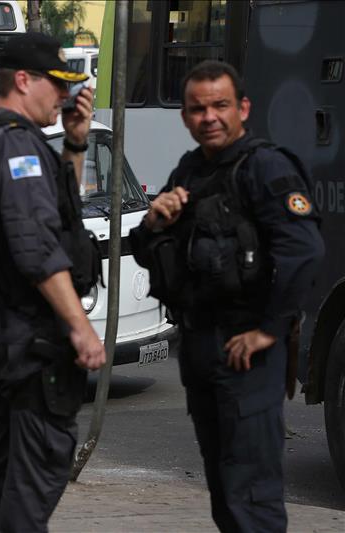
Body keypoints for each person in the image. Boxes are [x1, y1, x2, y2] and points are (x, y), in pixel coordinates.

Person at [130, 60, 325, 531]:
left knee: (251, 491)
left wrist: (269, 331)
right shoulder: (190, 171)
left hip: (245, 353)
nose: (209, 117)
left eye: (220, 106)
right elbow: (148, 252)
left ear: (243, 108)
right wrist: (154, 222)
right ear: (185, 117)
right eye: (197, 109)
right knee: (223, 488)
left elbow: (305, 252)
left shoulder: (265, 167)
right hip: (199, 346)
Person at [0, 33, 106, 532]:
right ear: (22, 80)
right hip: (29, 336)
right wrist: (79, 326)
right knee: (34, 476)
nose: (64, 96)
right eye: (57, 85)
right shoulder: (17, 146)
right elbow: (36, 246)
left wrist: (75, 143)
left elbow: (57, 215)